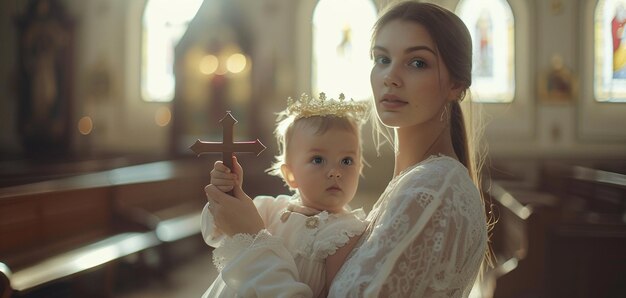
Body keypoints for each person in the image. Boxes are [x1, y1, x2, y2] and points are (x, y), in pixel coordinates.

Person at [203, 2, 492, 297]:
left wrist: (251, 239)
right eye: (382, 59)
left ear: (456, 85)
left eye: (417, 62)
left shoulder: (434, 188)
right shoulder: (418, 183)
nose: (390, 76)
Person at [201, 92, 370, 298]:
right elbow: (216, 233)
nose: (335, 171)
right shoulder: (268, 209)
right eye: (318, 159)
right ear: (290, 174)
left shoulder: (345, 233)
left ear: (359, 169)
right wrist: (227, 192)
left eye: (346, 161)